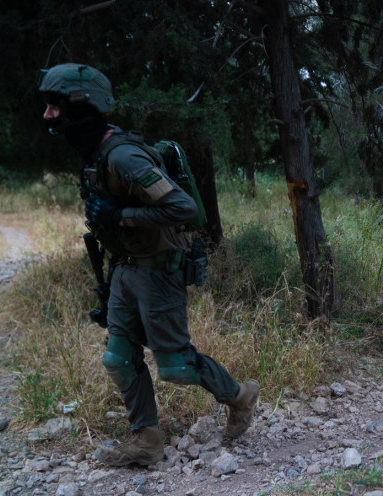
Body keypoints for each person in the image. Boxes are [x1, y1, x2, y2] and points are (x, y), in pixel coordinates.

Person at [39, 63, 258, 467]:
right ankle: (148, 439)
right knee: (118, 359)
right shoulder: (95, 154)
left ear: (80, 106)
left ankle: (240, 395)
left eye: (54, 105)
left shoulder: (123, 156)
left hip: (159, 271)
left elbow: (184, 207)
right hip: (125, 269)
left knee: (175, 367)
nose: (48, 115)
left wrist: (122, 215)